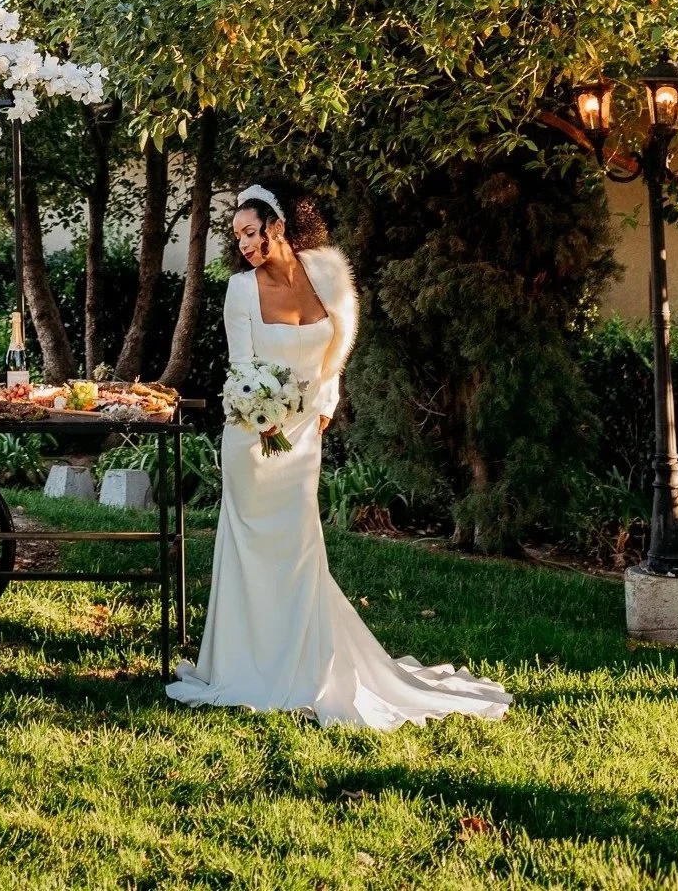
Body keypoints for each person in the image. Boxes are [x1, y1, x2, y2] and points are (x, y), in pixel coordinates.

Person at [166, 178, 511, 729]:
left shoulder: (327, 277)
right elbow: (242, 370)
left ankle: (308, 662)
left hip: (303, 436)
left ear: (278, 227)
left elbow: (337, 350)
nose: (245, 245)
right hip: (253, 436)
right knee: (251, 548)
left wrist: (323, 400)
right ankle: (244, 662)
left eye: (252, 232)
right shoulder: (240, 291)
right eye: (238, 237)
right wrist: (261, 415)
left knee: (301, 546)